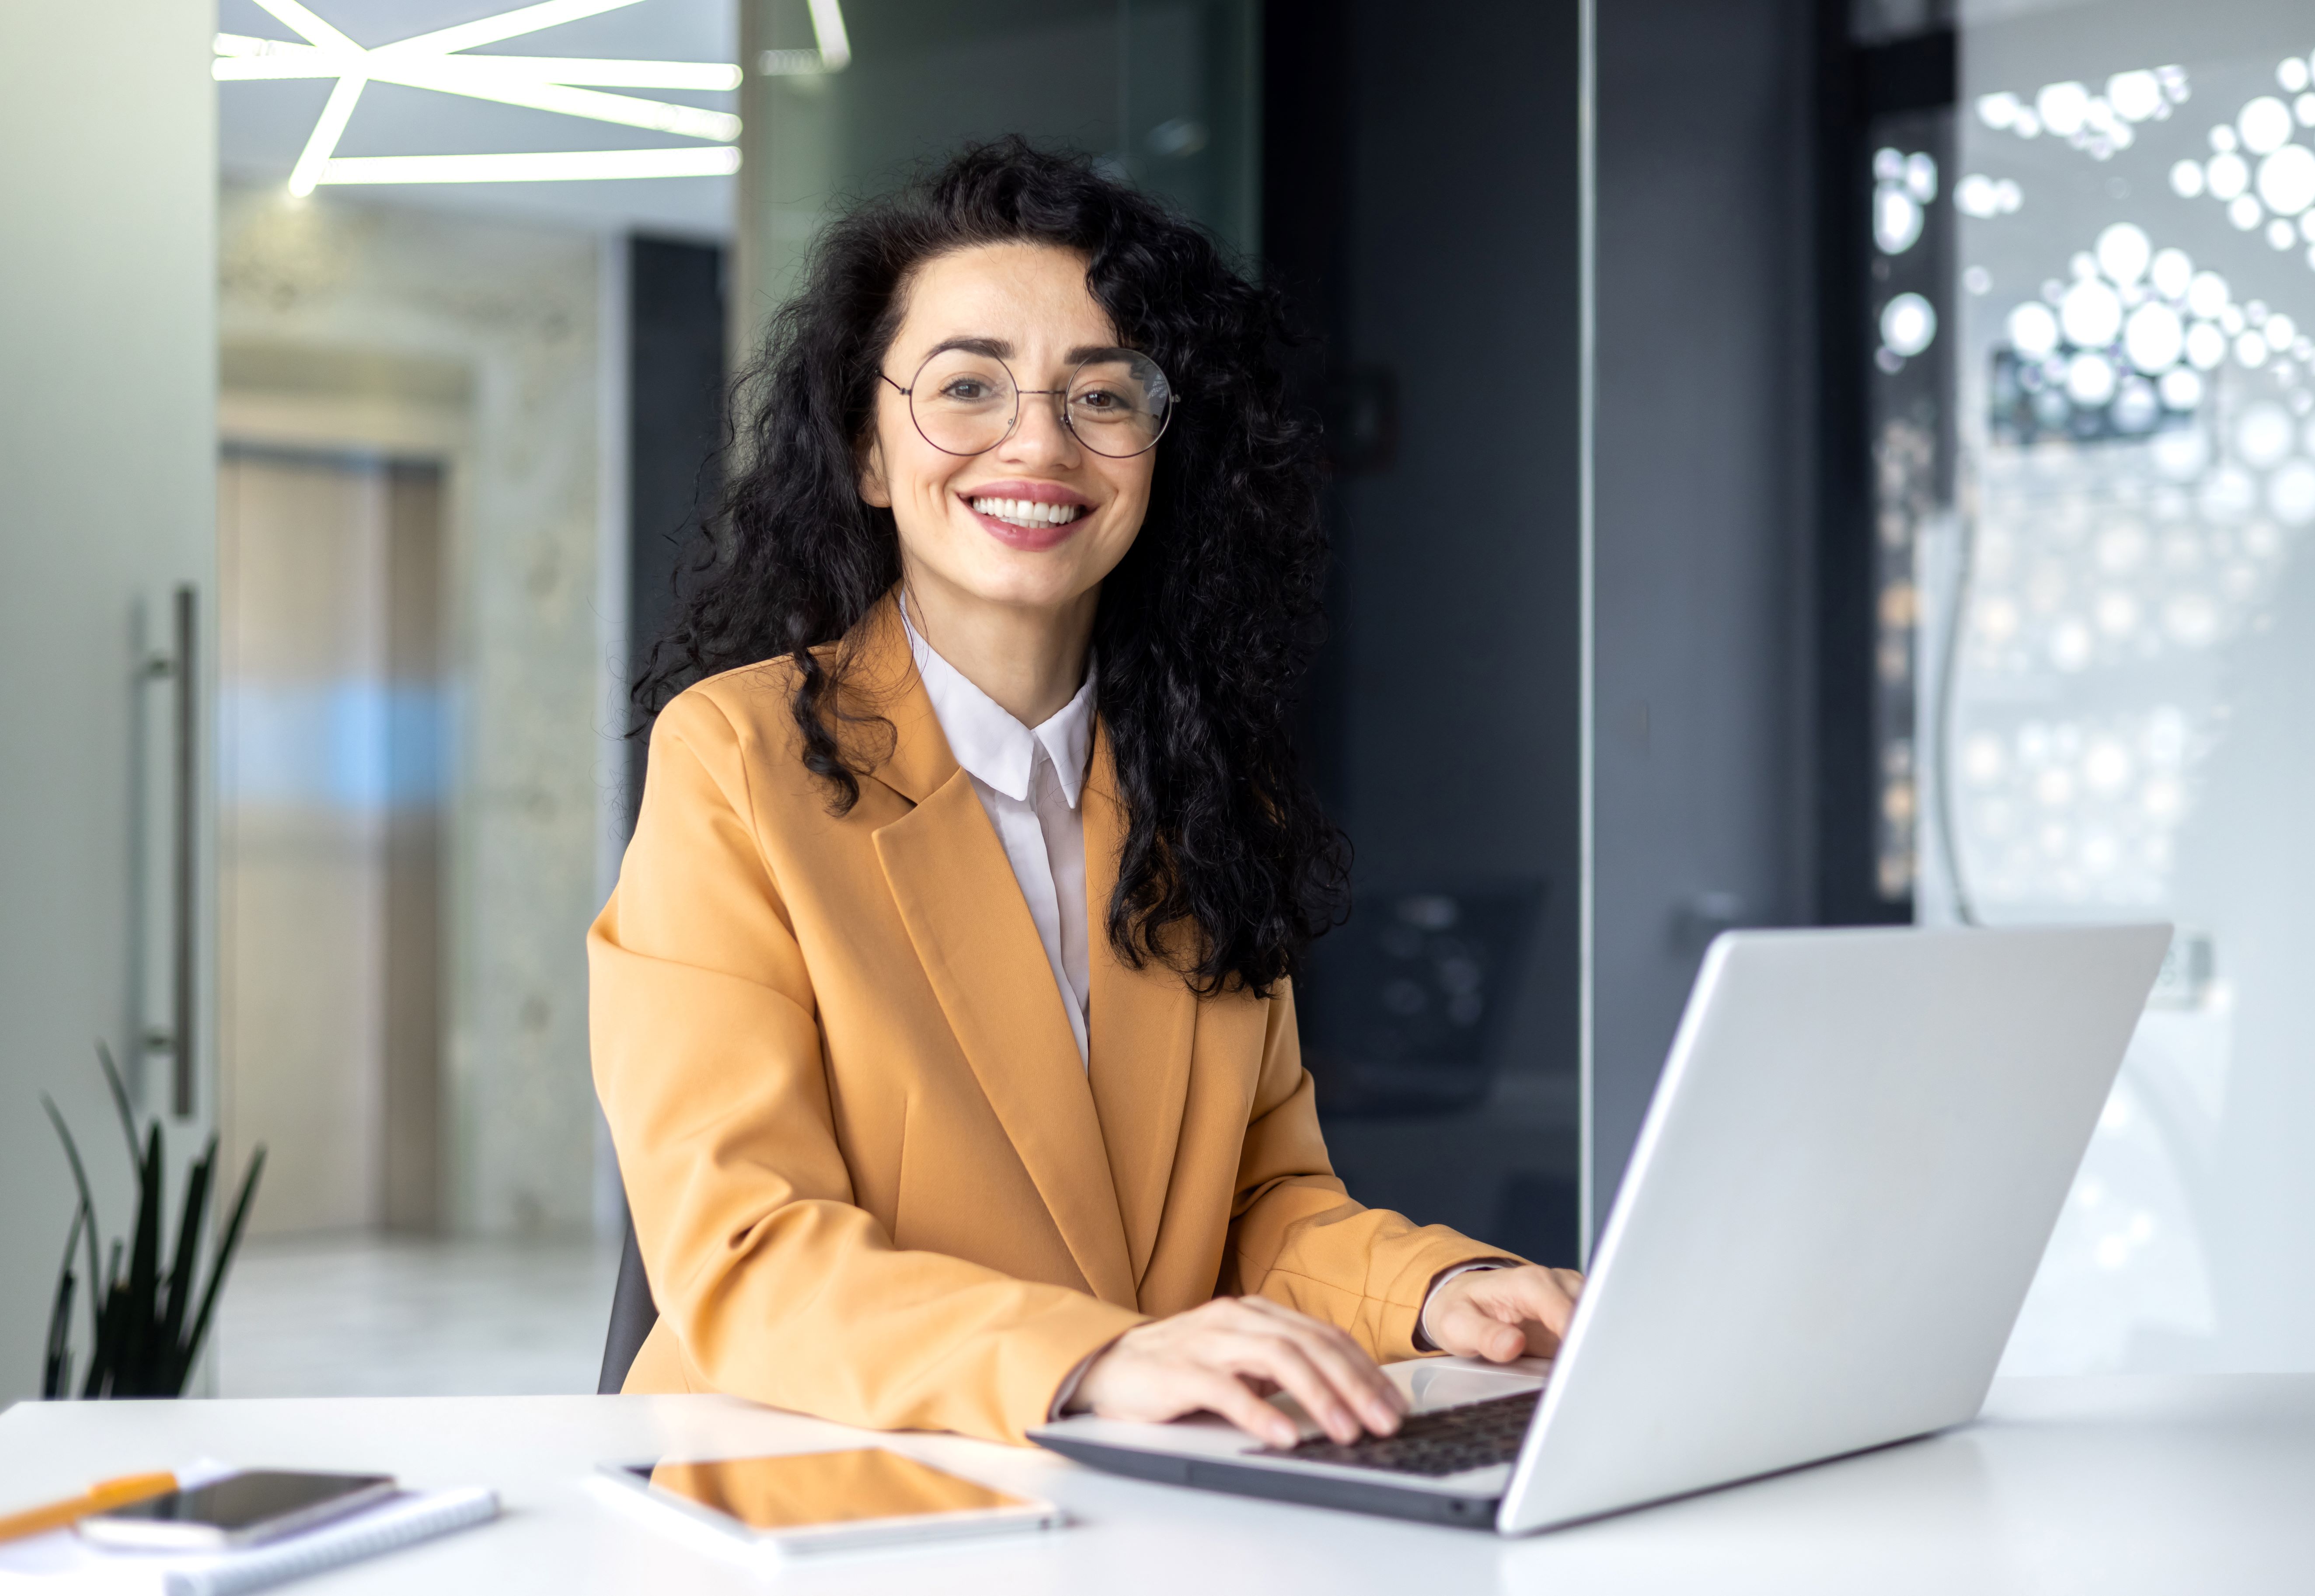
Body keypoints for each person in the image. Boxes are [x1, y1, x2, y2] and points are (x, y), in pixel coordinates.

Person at [592, 138, 1579, 1450]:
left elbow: (1264, 1205)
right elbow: (742, 1248)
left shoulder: (1205, 791)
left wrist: (1443, 1289)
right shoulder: (736, 757)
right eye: (968, 386)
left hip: (1133, 1495)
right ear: (870, 454)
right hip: (824, 1484)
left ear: (1158, 453)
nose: (1039, 443)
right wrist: (1094, 1356)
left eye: (1103, 397)